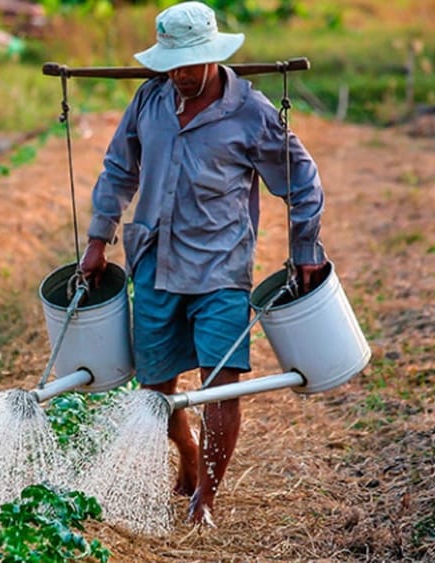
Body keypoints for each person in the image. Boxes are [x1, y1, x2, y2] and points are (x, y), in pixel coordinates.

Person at [79, 1, 328, 527]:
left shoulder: (251, 112)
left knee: (222, 384)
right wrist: (98, 239)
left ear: (214, 56)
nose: (180, 75)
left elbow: (302, 180)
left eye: (189, 64)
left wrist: (306, 248)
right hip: (154, 261)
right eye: (172, 64)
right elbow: (119, 169)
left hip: (221, 267)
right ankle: (188, 453)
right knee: (156, 390)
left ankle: (205, 501)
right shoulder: (150, 100)